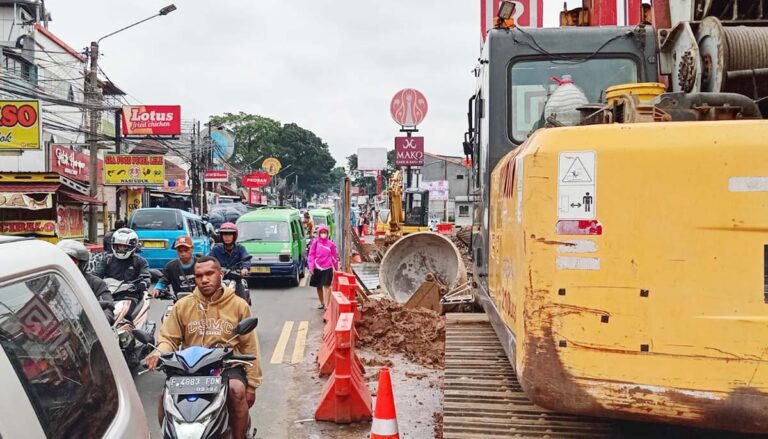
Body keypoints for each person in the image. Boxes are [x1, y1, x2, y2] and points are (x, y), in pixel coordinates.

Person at [146, 256, 261, 439]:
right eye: (199, 276)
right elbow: (169, 337)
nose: (204, 279)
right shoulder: (183, 305)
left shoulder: (238, 305)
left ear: (220, 274)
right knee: (165, 397)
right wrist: (158, 352)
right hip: (189, 368)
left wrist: (252, 385)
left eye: (210, 274)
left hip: (225, 366)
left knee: (236, 391)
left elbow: (249, 346)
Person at [93, 228, 151, 318]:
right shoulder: (107, 259)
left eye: (125, 246)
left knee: (125, 316)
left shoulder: (140, 261)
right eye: (119, 246)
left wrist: (143, 283)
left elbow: (146, 276)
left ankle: (131, 331)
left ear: (132, 246)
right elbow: (96, 275)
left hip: (130, 296)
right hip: (108, 295)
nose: (121, 249)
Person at [57, 239, 115, 323]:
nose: (66, 265)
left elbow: (107, 307)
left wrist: (102, 321)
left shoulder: (95, 283)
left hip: (84, 330)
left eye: (72, 262)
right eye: (62, 260)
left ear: (82, 264)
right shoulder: (51, 281)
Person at [209, 222, 251, 302]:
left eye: (230, 235)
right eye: (225, 235)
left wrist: (244, 268)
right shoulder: (216, 249)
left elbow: (246, 258)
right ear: (221, 236)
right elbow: (209, 260)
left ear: (234, 236)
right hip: (219, 280)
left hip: (236, 279)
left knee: (242, 302)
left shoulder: (240, 248)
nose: (227, 237)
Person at [308, 225, 339, 309]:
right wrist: (311, 267)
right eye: (321, 232)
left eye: (325, 232)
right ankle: (322, 303)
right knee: (319, 287)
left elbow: (334, 257)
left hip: (327, 268)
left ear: (327, 233)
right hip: (317, 267)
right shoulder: (315, 243)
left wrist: (336, 268)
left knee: (327, 286)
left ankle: (326, 304)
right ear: (319, 233)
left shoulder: (331, 244)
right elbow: (311, 255)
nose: (323, 234)